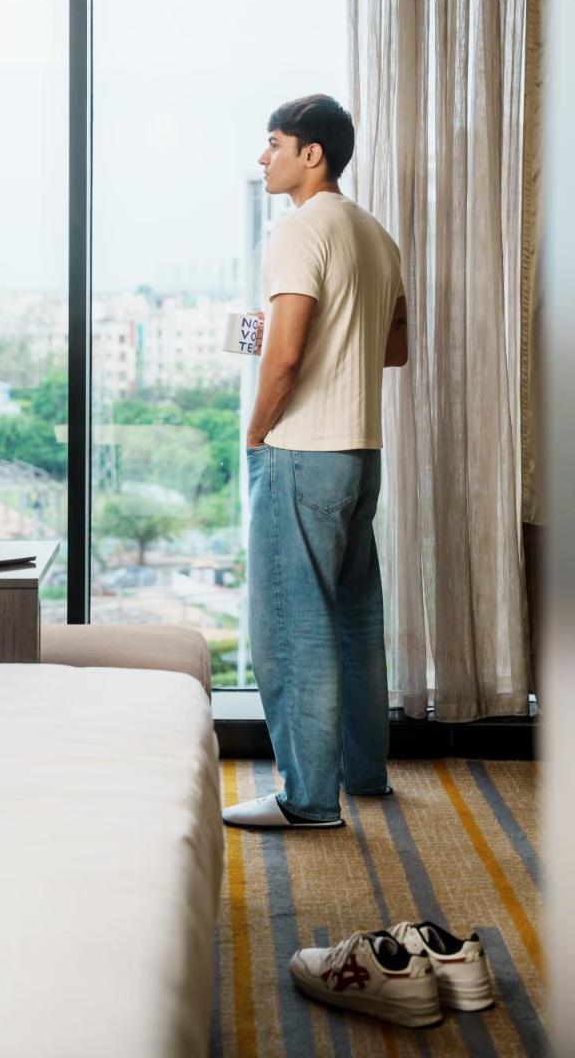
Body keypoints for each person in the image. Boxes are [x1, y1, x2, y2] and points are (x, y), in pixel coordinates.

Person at [223, 94, 408, 829]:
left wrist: (256, 431)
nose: (263, 159)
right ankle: (364, 775)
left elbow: (289, 353)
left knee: (292, 628)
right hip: (360, 452)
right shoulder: (375, 235)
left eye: (274, 144)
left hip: (302, 453)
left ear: (313, 155)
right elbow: (392, 349)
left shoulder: (299, 232)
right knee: (355, 618)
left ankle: (306, 799)